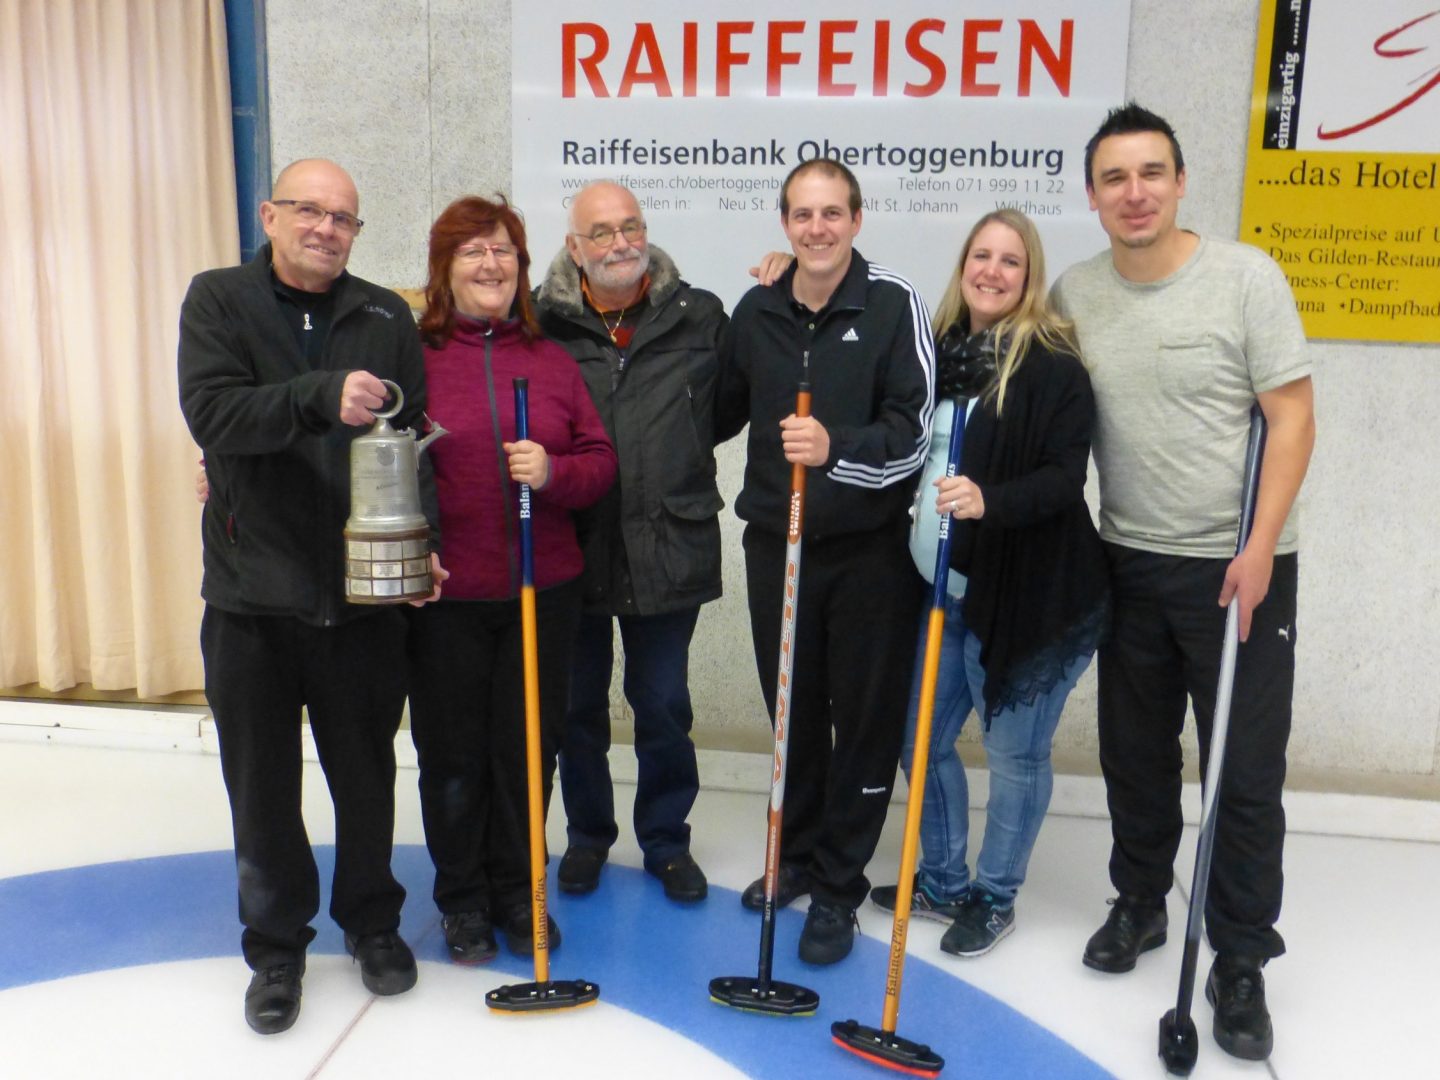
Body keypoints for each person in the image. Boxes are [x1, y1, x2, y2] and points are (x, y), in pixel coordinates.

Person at [1050, 103, 1315, 1062]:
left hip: (1239, 567)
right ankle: (1140, 902)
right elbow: (1001, 345)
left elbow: (1291, 418)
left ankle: (1239, 956)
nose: (1135, 193)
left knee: (1243, 770)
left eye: (1151, 173)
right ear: (1093, 195)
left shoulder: (1246, 279)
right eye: (1115, 178)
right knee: (1135, 753)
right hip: (1128, 558)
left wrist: (1261, 546)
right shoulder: (1077, 292)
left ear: (1180, 181)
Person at [178, 159, 438, 1034]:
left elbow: (417, 444)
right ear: (270, 215)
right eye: (309, 211)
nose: (327, 228)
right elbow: (214, 416)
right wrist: (322, 396)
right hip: (251, 598)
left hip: (362, 602)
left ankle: (373, 924)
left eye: (344, 218)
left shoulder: (384, 316)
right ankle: (276, 949)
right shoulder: (218, 300)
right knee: (260, 788)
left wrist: (422, 551)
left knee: (366, 777)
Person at [866, 209, 1109, 958]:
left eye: (1010, 261)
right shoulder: (939, 351)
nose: (992, 272)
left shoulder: (1053, 365)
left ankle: (995, 895)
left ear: (1029, 277)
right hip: (946, 593)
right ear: (963, 264)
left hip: (1031, 602)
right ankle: (942, 880)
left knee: (1014, 757)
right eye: (982, 256)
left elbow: (1064, 478)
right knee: (920, 739)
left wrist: (988, 500)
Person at [716, 159, 933, 965]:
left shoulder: (892, 304)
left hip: (867, 552)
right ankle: (797, 856)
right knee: (793, 713)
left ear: (857, 219)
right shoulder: (759, 308)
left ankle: (840, 884)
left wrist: (835, 448)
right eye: (803, 215)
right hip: (777, 545)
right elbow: (715, 407)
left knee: (863, 722)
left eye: (832, 213)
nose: (817, 229)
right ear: (784, 224)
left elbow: (912, 434)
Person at [405, 195, 616, 964]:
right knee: (453, 757)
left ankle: (519, 891)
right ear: (444, 268)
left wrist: (553, 471)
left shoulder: (551, 360)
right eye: (474, 251)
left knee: (527, 752)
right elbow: (373, 459)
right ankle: (462, 900)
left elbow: (600, 463)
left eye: (504, 251)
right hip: (444, 599)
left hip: (541, 592)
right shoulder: (413, 358)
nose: (491, 264)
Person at [534, 181, 726, 903]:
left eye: (631, 226)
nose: (621, 243)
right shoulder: (541, 323)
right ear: (574, 246)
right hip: (572, 544)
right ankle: (588, 837)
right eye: (602, 232)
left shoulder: (700, 315)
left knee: (664, 705)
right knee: (576, 708)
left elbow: (728, 408)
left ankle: (667, 842)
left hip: (668, 542)